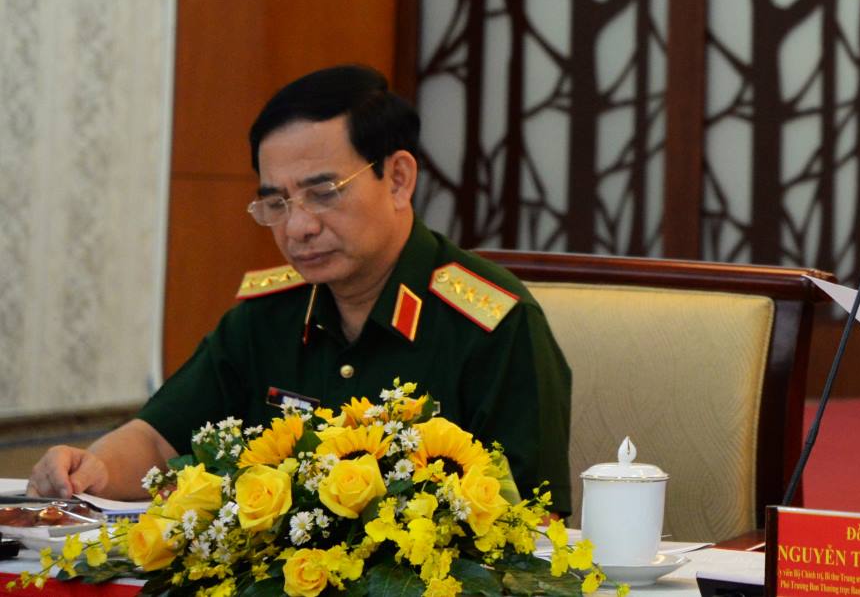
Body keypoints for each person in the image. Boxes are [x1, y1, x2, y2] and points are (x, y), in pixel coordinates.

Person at [29, 65, 573, 514]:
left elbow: (531, 526)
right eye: (277, 203)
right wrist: (91, 469)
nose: (298, 227)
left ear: (398, 179)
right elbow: (157, 440)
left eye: (323, 193)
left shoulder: (493, 326)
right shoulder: (266, 317)